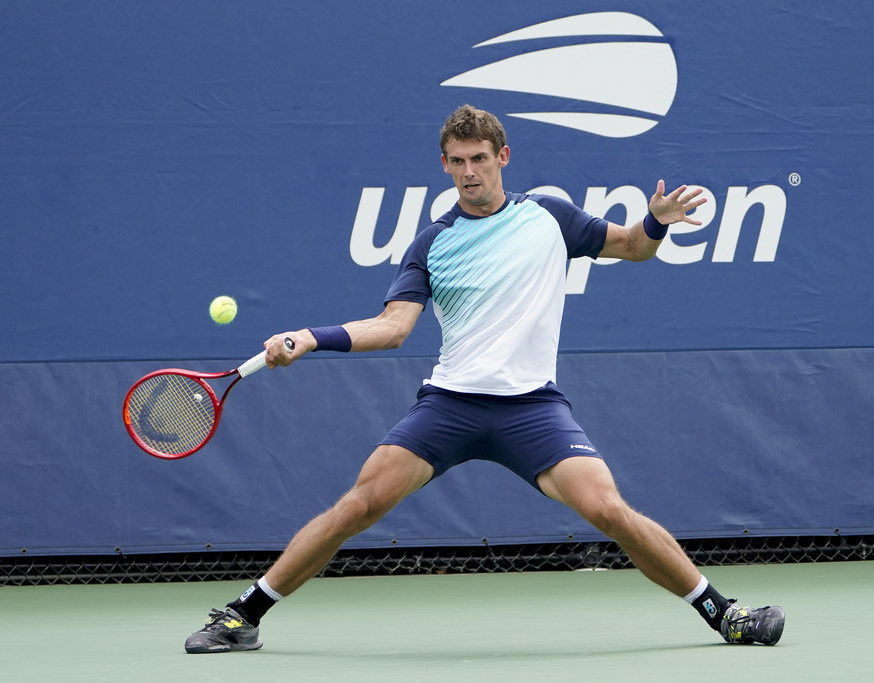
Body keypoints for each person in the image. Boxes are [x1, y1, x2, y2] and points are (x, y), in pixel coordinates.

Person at [184, 104, 785, 653]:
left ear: (502, 157)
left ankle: (724, 614)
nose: (470, 171)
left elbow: (631, 246)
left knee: (609, 512)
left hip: (532, 410)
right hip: (451, 406)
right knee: (358, 505)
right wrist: (311, 337)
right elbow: (393, 327)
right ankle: (244, 615)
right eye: (457, 161)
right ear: (444, 165)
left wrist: (655, 223)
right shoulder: (434, 242)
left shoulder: (549, 217)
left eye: (480, 159)